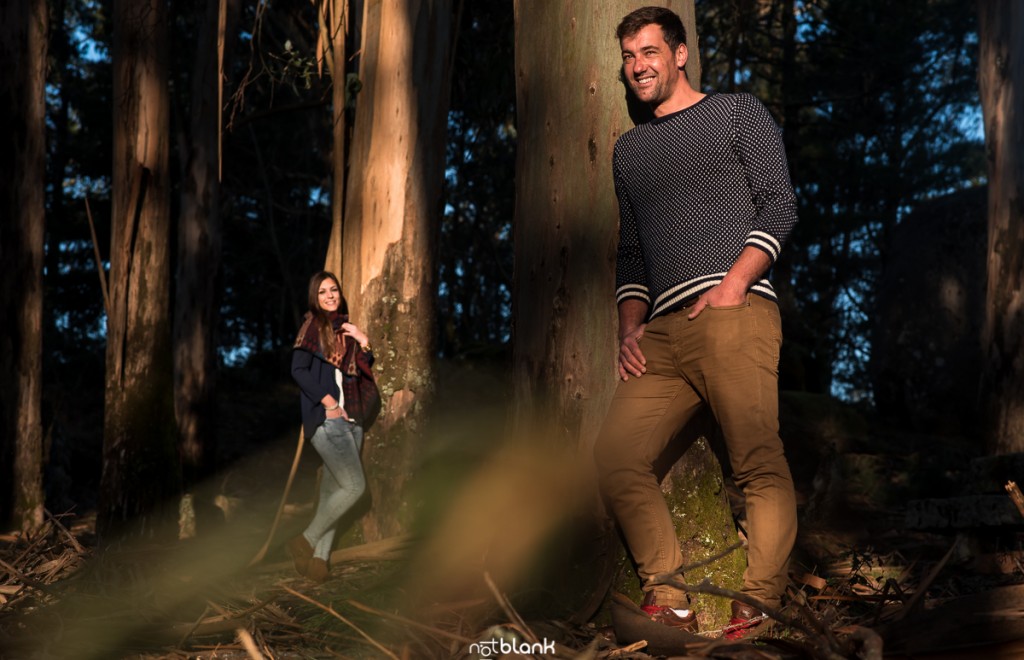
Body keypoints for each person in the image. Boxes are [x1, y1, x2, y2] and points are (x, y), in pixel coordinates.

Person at [593, 6, 799, 639]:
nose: (638, 67)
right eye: (629, 57)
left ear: (679, 54)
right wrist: (630, 328)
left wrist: (735, 285)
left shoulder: (736, 111)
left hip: (734, 311)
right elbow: (632, 251)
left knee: (756, 461)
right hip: (662, 331)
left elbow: (780, 204)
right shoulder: (629, 151)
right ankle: (671, 595)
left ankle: (759, 603)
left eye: (650, 53)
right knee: (616, 456)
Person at [288, 271, 374, 583]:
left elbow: (362, 369)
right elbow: (298, 369)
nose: (329, 295)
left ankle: (318, 562)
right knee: (355, 488)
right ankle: (306, 540)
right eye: (322, 291)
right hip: (329, 420)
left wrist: (361, 339)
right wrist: (329, 403)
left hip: (353, 420)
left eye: (333, 289)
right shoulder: (314, 325)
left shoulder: (344, 328)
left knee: (334, 491)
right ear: (315, 297)